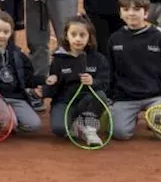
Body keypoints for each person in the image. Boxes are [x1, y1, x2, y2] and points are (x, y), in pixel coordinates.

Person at [106, 0, 161, 140]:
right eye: (126, 9)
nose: (131, 13)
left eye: (136, 9)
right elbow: (110, 72)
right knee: (120, 134)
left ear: (146, 13)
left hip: (156, 96)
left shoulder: (160, 38)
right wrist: (110, 98)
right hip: (126, 97)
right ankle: (130, 116)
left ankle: (154, 116)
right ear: (120, 14)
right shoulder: (114, 39)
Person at [44, 14, 111, 146]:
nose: (78, 39)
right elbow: (53, 91)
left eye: (82, 35)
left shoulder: (98, 59)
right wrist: (49, 84)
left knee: (100, 95)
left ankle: (89, 128)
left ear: (89, 38)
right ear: (66, 36)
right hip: (64, 102)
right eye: (73, 34)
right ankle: (76, 124)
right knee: (59, 129)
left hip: (87, 102)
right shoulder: (58, 59)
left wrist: (93, 82)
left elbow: (105, 83)